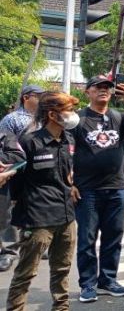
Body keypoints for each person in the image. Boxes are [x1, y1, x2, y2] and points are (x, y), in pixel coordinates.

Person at [72, 75, 124, 303]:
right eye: (98, 87)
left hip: (116, 189)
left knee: (113, 238)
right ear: (88, 92)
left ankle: (108, 280)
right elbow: (65, 152)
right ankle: (88, 284)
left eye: (107, 88)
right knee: (87, 239)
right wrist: (69, 183)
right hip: (87, 190)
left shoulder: (117, 116)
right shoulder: (77, 120)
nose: (103, 90)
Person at [6, 92, 78, 311]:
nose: (73, 115)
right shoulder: (29, 141)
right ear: (52, 114)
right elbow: (16, 182)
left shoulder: (69, 140)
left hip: (66, 216)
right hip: (37, 219)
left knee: (62, 269)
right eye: (69, 110)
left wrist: (72, 186)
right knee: (26, 273)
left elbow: (66, 174)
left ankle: (61, 308)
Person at [0, 84, 44, 272]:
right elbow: (5, 146)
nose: (42, 99)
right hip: (16, 172)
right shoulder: (12, 119)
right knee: (9, 213)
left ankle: (39, 246)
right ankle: (8, 251)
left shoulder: (44, 118)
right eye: (38, 96)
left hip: (40, 171)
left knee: (38, 208)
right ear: (26, 97)